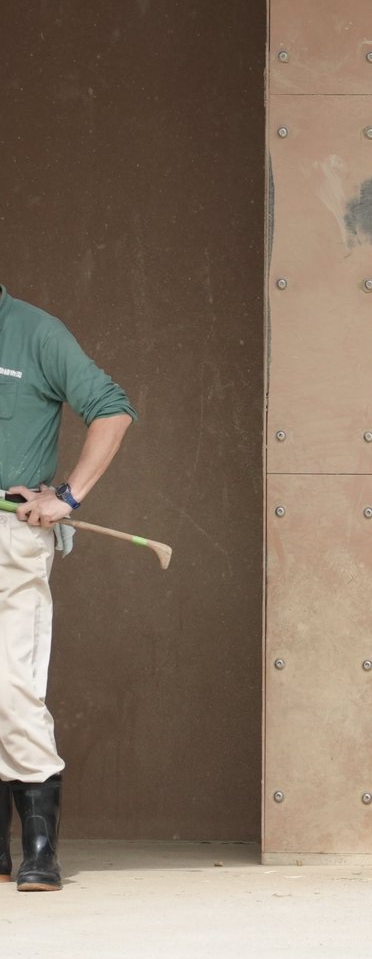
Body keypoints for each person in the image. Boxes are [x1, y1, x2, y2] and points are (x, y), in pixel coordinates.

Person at [0, 284, 135, 892]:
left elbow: (112, 407)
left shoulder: (36, 331)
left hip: (11, 537)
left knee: (10, 683)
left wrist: (68, 496)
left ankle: (38, 846)